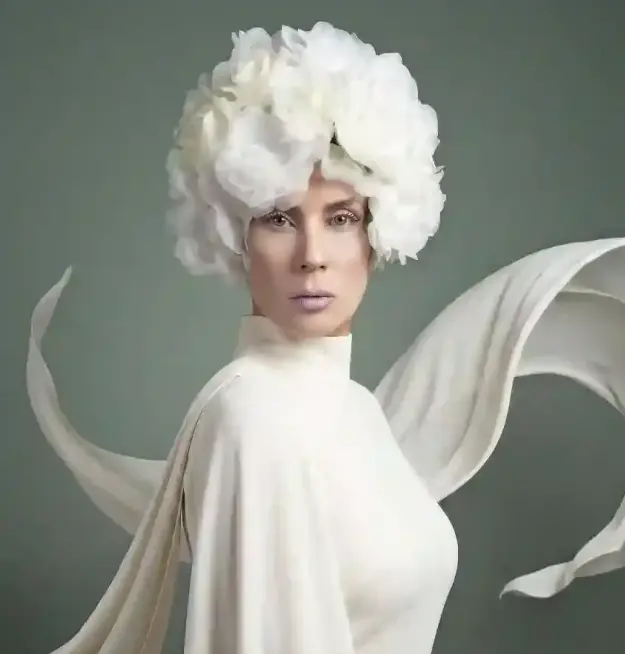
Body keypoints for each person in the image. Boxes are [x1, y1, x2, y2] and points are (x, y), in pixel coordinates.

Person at [26, 21, 625, 654]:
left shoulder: (357, 409)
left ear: (376, 235)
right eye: (278, 218)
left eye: (340, 218)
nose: (312, 255)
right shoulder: (251, 416)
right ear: (233, 234)